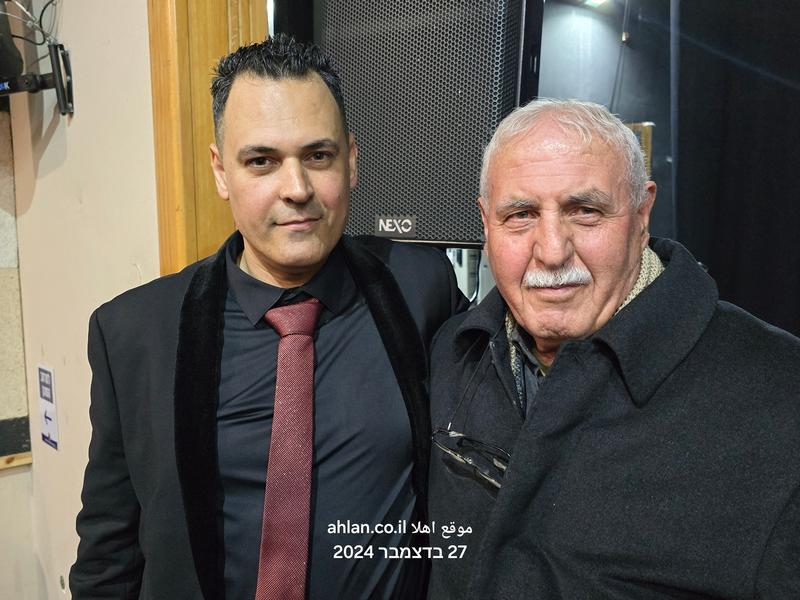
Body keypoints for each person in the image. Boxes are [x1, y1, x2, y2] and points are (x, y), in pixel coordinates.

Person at [70, 35, 467, 600]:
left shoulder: (419, 288)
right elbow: (108, 557)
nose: (297, 189)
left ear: (352, 160)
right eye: (262, 161)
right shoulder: (134, 334)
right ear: (220, 171)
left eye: (318, 156)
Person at [428, 98, 800, 599]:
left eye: (585, 212)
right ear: (486, 223)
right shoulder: (453, 352)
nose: (552, 251)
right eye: (520, 214)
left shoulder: (781, 398)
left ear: (642, 214)